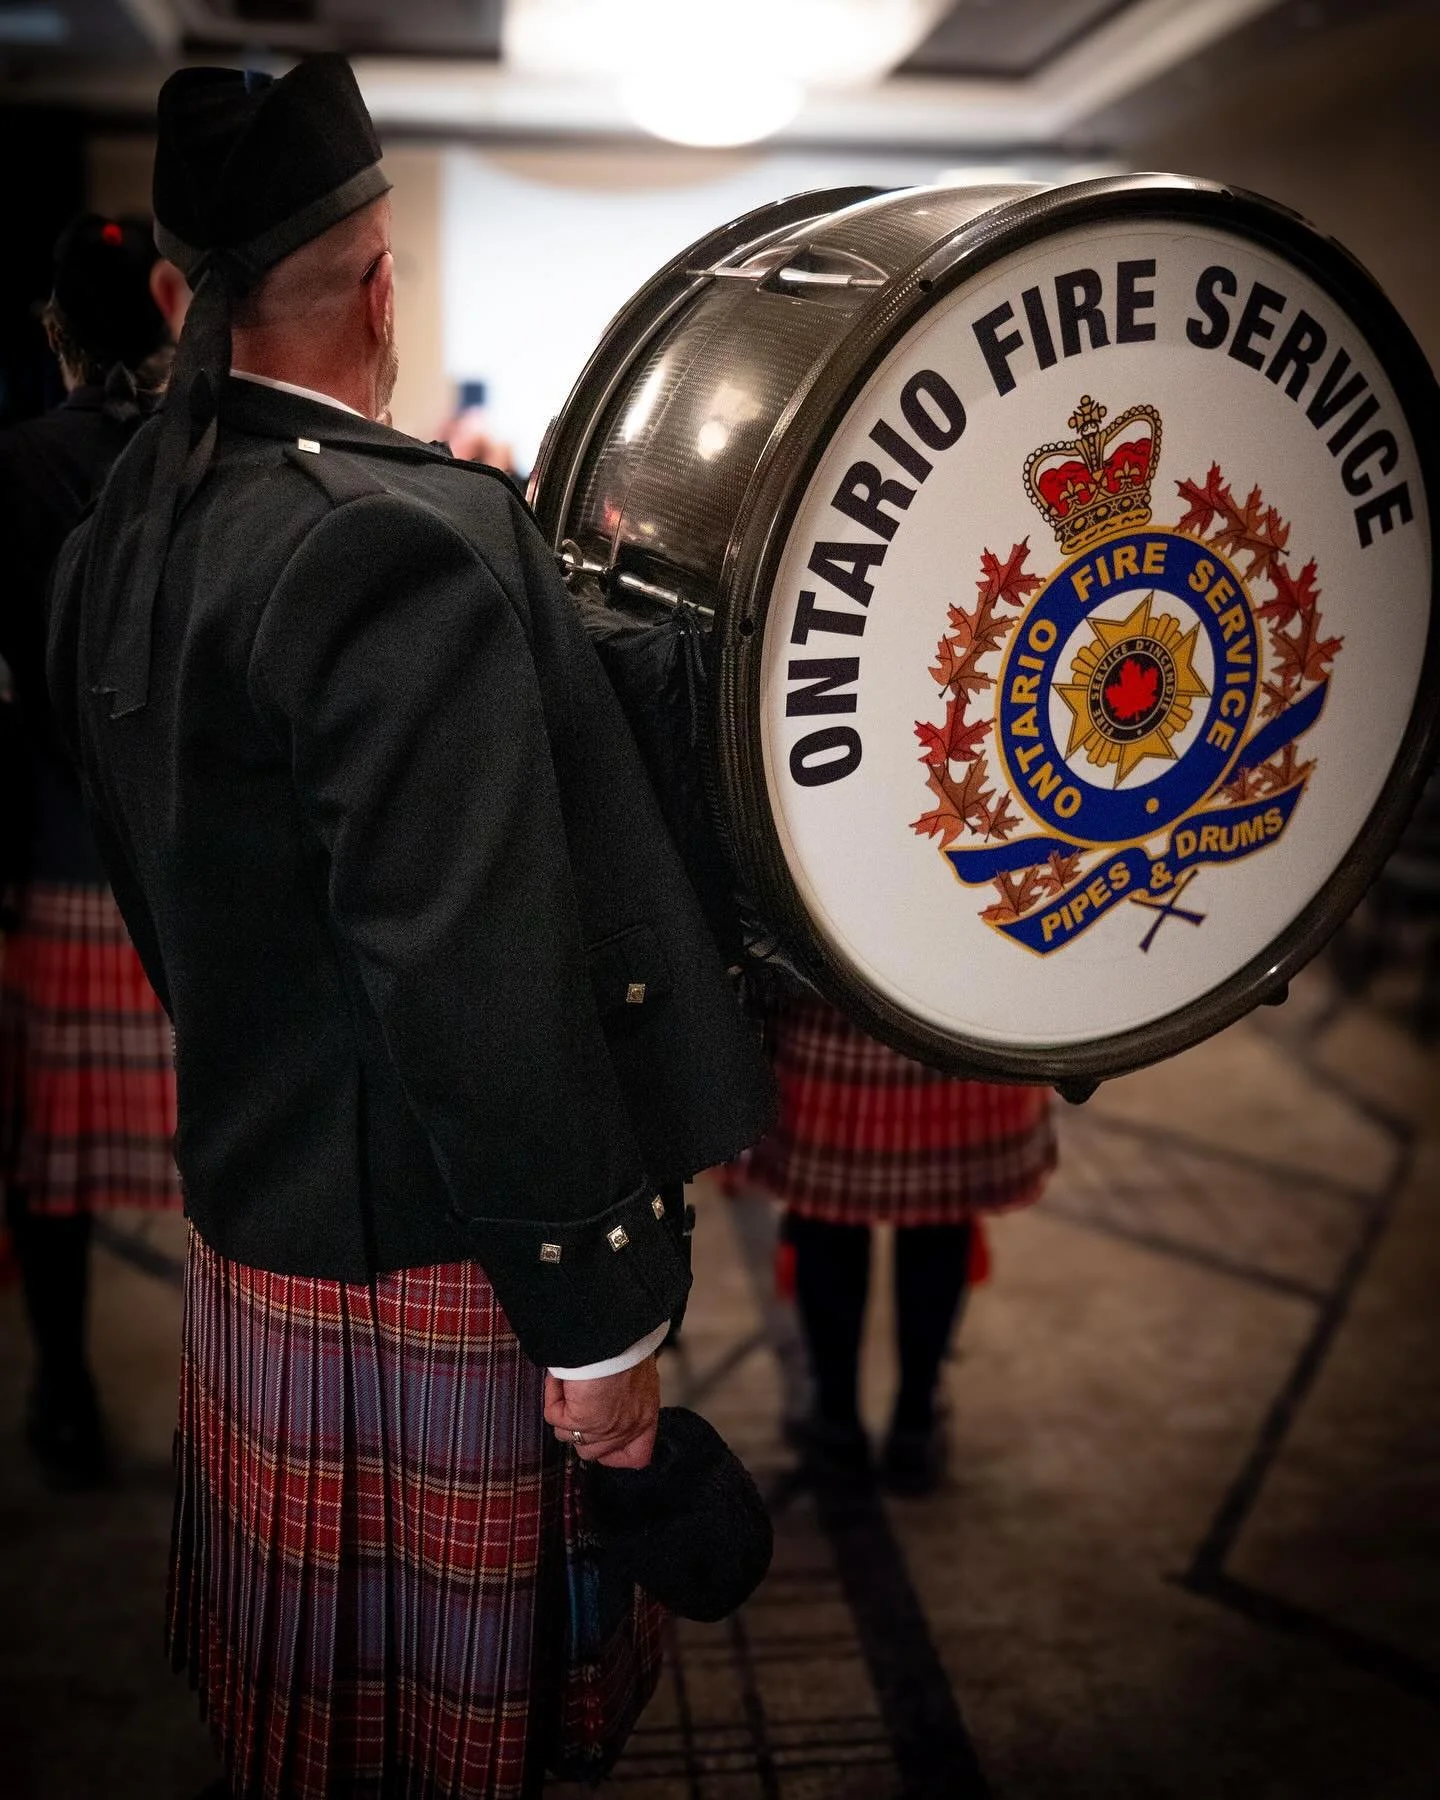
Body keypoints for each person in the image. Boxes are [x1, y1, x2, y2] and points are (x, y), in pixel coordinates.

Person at [45, 56, 773, 1800]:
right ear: (382, 286)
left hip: (264, 1236)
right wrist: (599, 1336)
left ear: (172, 294)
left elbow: (172, 911)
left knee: (318, 1740)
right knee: (452, 1751)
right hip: (444, 1267)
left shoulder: (121, 536)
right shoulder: (401, 544)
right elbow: (484, 980)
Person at [0, 213, 188, 1484]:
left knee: (50, 1161)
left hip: (62, 855)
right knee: (229, 1157)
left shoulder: (14, 466)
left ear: (55, 332)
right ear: (172, 308)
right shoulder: (212, 454)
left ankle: (65, 1390)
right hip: (196, 881)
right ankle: (234, 1398)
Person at [721, 977, 1055, 1494]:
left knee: (826, 1208)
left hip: (834, 989)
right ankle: (914, 1428)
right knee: (942, 1202)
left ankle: (837, 1429)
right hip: (958, 1006)